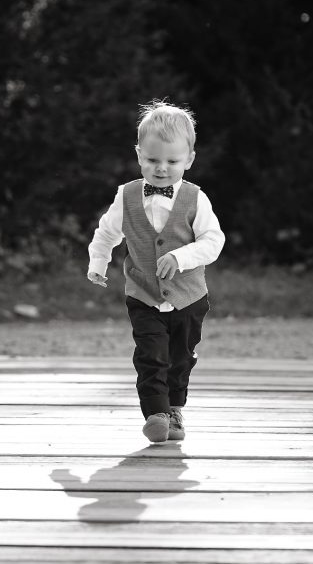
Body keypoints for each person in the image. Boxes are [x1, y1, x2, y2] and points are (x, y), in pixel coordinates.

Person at [87, 100, 225, 443]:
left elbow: (214, 240)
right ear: (138, 155)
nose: (161, 169)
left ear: (189, 160)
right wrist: (98, 262)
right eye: (152, 160)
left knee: (180, 357)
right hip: (143, 293)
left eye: (172, 161)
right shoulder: (127, 195)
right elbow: (107, 233)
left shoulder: (196, 199)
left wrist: (182, 257)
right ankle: (156, 414)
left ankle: (175, 409)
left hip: (189, 297)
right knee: (150, 355)